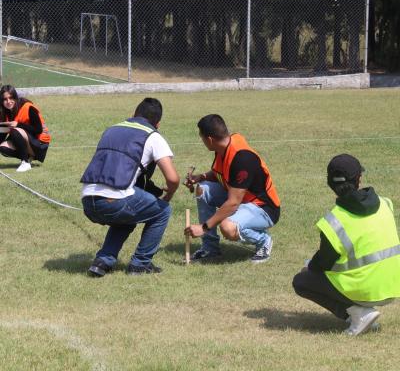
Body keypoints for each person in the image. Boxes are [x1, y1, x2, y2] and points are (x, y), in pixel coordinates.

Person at [292, 154, 400, 336]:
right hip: (393, 285)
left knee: (302, 281)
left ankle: (359, 313)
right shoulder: (385, 203)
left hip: (366, 291)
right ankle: (362, 314)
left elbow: (322, 265)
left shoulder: (334, 222)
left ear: (329, 184)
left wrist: (309, 265)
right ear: (359, 178)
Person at [80, 98, 180, 276]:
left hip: (88, 200)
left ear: (133, 114)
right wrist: (168, 196)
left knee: (128, 216)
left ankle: (102, 262)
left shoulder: (111, 129)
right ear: (157, 123)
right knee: (163, 211)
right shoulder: (153, 136)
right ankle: (140, 264)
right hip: (114, 202)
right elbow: (173, 179)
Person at [184, 114, 280, 263]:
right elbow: (223, 173)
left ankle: (263, 241)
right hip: (240, 198)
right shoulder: (223, 146)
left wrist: (203, 228)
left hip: (263, 208)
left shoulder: (243, 158)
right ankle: (210, 248)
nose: (202, 141)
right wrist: (201, 177)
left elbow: (233, 203)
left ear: (210, 139)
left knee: (227, 227)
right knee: (202, 189)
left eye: (202, 138)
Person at [0, 85, 51, 172]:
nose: (8, 101)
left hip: (40, 144)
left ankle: (25, 162)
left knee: (16, 131)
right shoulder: (4, 112)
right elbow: (2, 133)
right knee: (2, 147)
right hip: (26, 141)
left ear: (15, 97)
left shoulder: (28, 107)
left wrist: (18, 124)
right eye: (5, 99)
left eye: (11, 98)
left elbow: (38, 130)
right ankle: (28, 157)